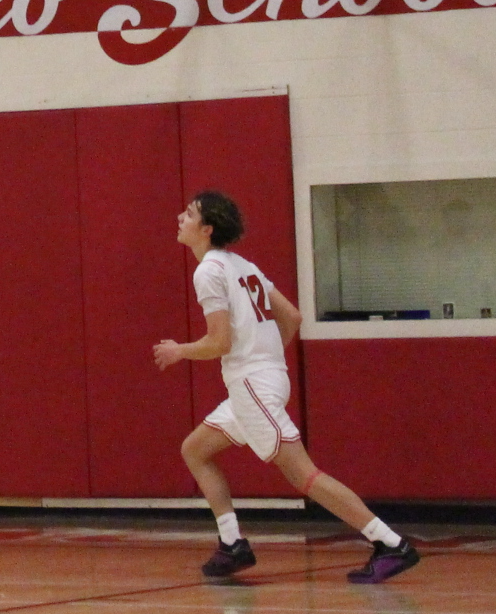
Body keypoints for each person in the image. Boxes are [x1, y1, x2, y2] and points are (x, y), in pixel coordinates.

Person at [156, 191, 419, 584]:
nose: (180, 216)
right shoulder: (243, 265)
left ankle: (390, 543)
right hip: (267, 380)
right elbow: (291, 317)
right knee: (195, 450)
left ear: (207, 229)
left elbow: (220, 343)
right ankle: (233, 544)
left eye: (189, 213)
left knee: (303, 475)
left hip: (252, 386)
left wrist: (180, 351)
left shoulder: (208, 270)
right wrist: (265, 357)